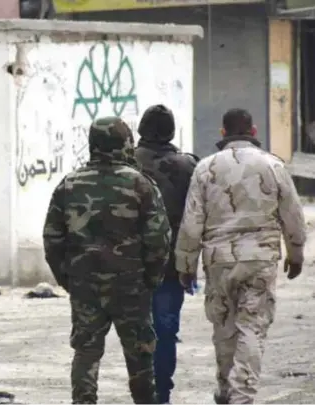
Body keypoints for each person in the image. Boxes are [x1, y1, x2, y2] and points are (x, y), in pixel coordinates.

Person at [175, 108, 308, 404]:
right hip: (259, 260)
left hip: (218, 261)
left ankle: (225, 389)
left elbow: (192, 221)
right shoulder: (273, 165)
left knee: (223, 327)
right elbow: (292, 215)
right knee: (252, 326)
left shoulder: (205, 168)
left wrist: (186, 264)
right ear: (254, 131)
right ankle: (242, 395)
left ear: (223, 133)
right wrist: (295, 253)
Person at [43, 116, 172, 404]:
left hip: (85, 286)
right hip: (131, 286)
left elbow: (52, 240)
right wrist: (150, 278)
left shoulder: (69, 185)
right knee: (140, 353)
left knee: (86, 352)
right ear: (125, 144)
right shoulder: (140, 184)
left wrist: (68, 279)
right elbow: (159, 239)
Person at [134, 105, 198, 404]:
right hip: (171, 266)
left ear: (141, 130)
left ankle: (143, 390)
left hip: (130, 264)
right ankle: (161, 392)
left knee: (136, 331)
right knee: (165, 329)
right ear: (172, 131)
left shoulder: (125, 164)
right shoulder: (188, 167)